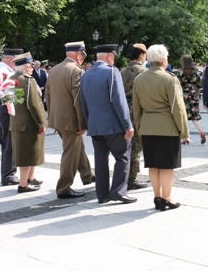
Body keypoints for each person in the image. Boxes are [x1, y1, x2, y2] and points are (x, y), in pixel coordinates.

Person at [132, 45, 189, 211]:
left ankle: (157, 196)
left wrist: (140, 126)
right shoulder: (169, 79)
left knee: (154, 165)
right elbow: (177, 108)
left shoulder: (139, 79)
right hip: (167, 128)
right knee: (167, 166)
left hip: (148, 127)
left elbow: (137, 108)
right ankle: (167, 197)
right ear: (164, 60)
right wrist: (184, 131)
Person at [80, 44, 136, 204]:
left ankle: (102, 195)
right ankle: (118, 191)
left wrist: (88, 123)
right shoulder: (112, 72)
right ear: (110, 56)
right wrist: (127, 125)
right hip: (113, 125)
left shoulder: (86, 75)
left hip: (95, 126)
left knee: (100, 161)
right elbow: (119, 101)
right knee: (123, 157)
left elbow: (83, 103)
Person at [46, 41, 95, 199]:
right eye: (83, 55)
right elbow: (77, 100)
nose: (83, 59)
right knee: (71, 152)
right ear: (79, 53)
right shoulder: (76, 71)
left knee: (76, 148)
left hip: (59, 118)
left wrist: (52, 118)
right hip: (71, 119)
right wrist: (82, 124)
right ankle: (63, 187)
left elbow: (48, 96)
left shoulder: (54, 70)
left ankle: (87, 175)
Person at [10, 53, 46, 194]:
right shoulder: (27, 80)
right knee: (27, 154)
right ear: (26, 66)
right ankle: (23, 184)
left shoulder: (12, 79)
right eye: (31, 65)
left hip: (17, 121)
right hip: (29, 123)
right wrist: (41, 123)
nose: (32, 67)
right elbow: (34, 105)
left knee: (31, 152)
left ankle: (30, 178)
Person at [0, 47, 23, 186]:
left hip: (1, 109)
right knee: (9, 143)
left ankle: (8, 173)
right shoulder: (4, 72)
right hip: (6, 109)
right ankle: (8, 175)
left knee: (7, 143)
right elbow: (9, 92)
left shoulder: (1, 70)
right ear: (11, 59)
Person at [120, 43, 149, 190]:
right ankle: (131, 178)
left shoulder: (122, 71)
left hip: (122, 113)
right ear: (142, 55)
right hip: (137, 113)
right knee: (136, 147)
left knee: (125, 146)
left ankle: (124, 175)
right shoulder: (143, 72)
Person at [179, 55, 207, 144]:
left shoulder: (181, 72)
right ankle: (201, 131)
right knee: (195, 116)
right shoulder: (195, 71)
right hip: (195, 95)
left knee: (184, 116)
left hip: (185, 95)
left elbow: (178, 84)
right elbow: (199, 84)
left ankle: (185, 137)